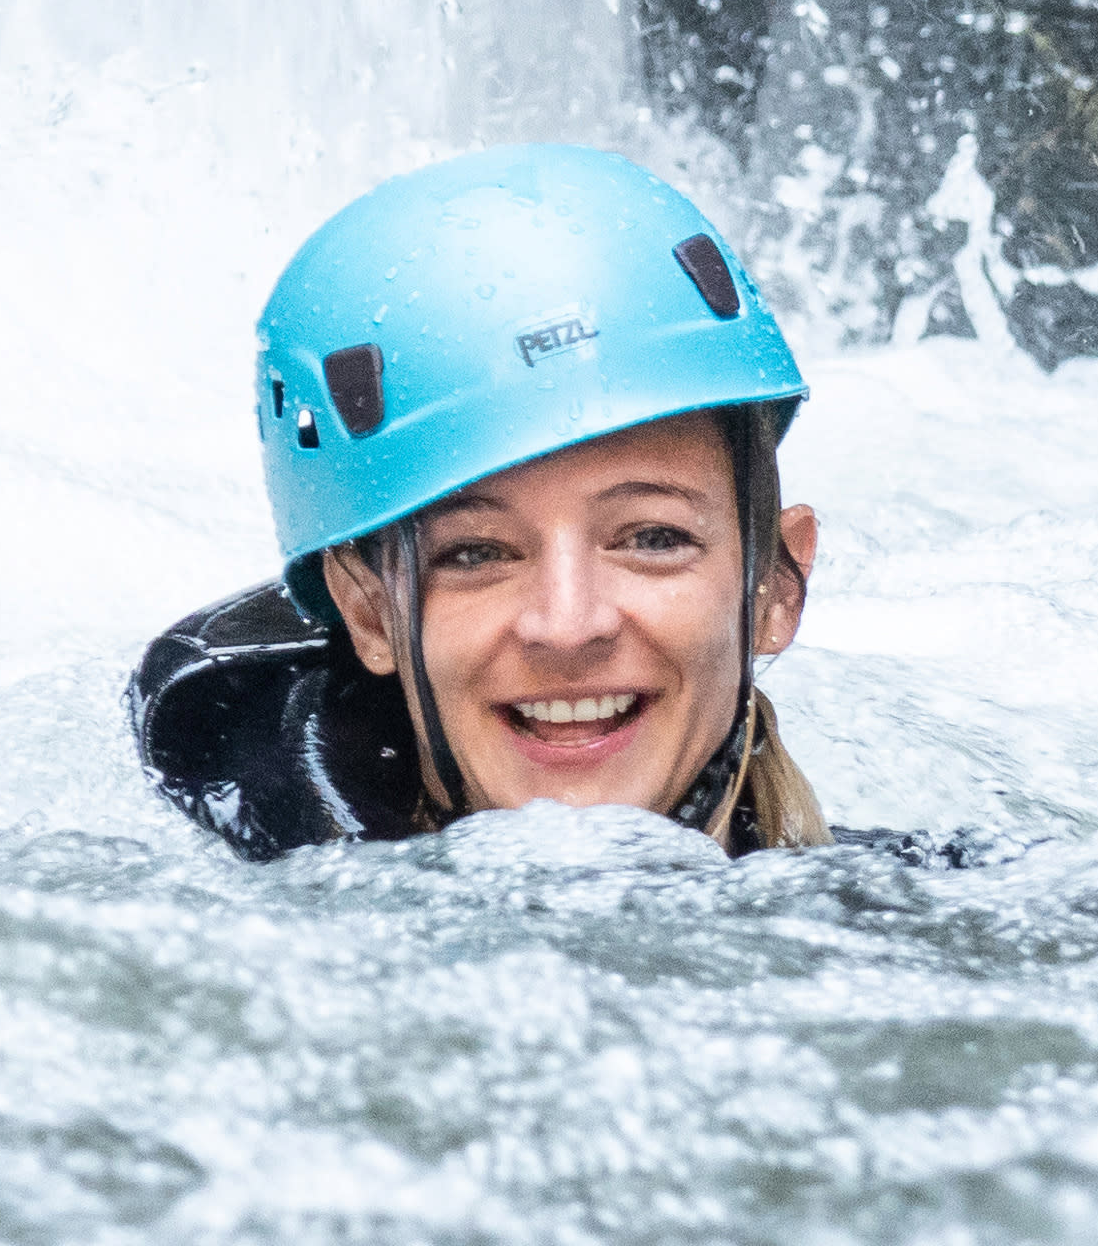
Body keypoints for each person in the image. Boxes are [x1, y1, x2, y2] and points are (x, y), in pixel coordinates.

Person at [130, 144, 829, 855]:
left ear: (776, 584)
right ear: (366, 610)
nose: (567, 627)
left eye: (653, 538)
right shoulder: (241, 937)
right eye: (476, 553)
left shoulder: (909, 915)